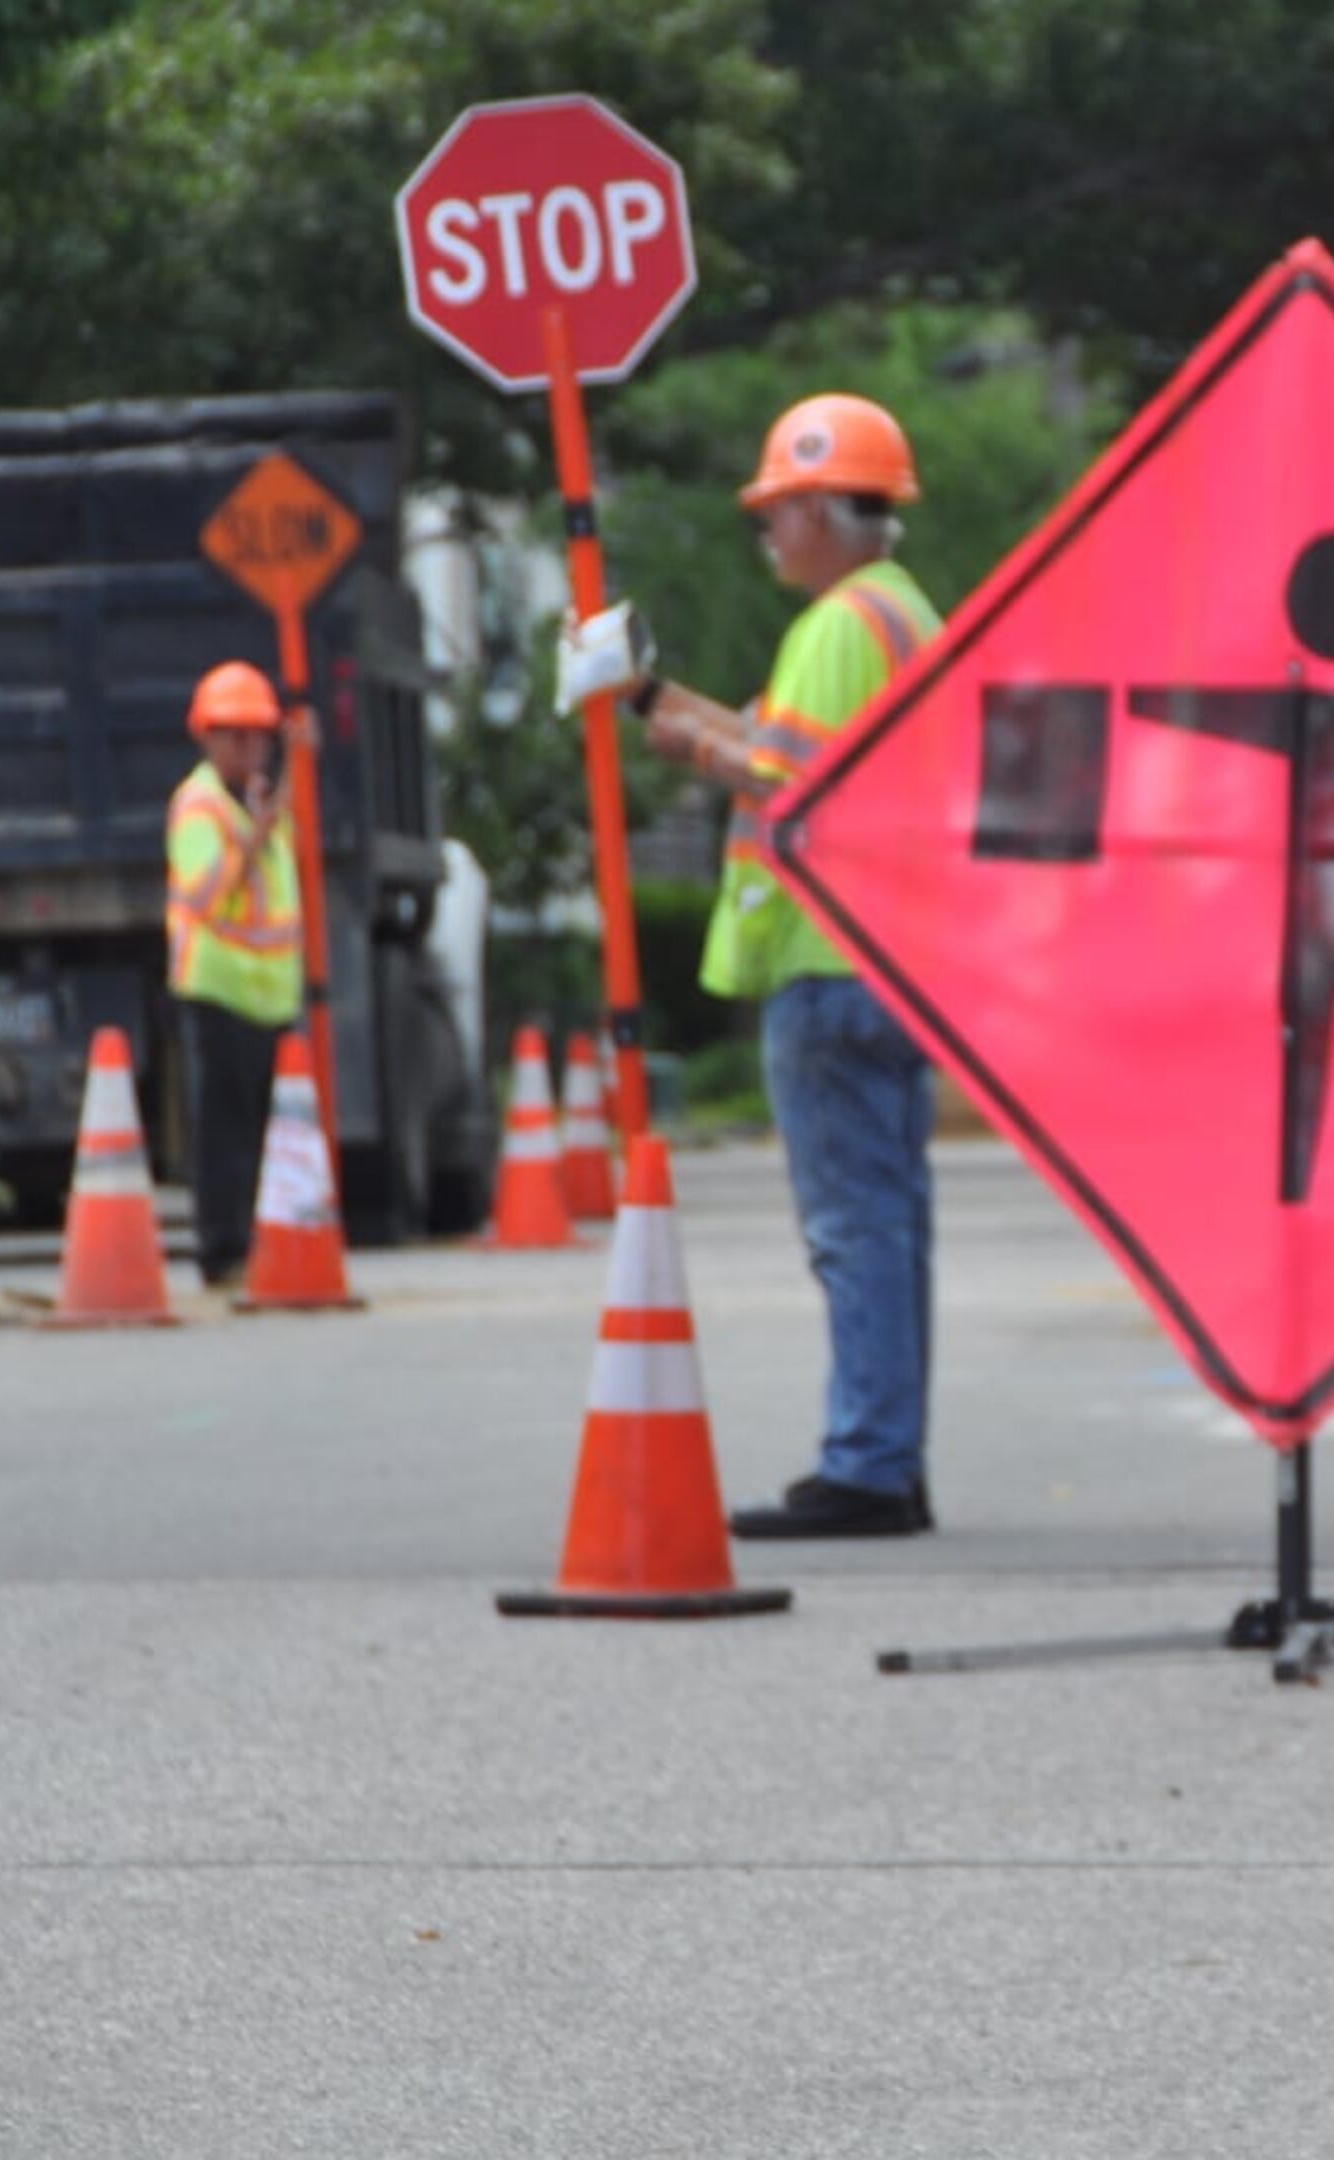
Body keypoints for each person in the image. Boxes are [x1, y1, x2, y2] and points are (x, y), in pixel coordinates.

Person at [557, 393, 945, 1539]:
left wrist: (688, 745)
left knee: (853, 1229)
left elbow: (780, 778)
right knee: (890, 1223)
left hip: (827, 960)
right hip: (888, 956)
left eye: (778, 511)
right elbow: (783, 747)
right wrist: (651, 699)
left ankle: (870, 1465)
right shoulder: (898, 614)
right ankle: (888, 1455)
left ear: (827, 510)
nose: (768, 532)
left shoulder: (835, 627)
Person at [166, 661, 304, 1291]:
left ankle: (264, 1248)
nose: (250, 746)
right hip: (220, 991)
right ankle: (223, 1256)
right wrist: (261, 833)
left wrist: (297, 768)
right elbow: (208, 894)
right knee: (224, 1137)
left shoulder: (250, 800)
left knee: (262, 1136)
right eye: (235, 734)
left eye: (259, 734)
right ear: (207, 736)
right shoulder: (200, 806)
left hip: (267, 997)